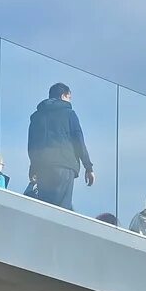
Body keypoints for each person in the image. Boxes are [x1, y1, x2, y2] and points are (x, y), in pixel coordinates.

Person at [27, 83, 95, 211]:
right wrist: (88, 167)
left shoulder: (36, 116)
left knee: (45, 208)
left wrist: (33, 167)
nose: (70, 100)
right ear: (64, 95)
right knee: (62, 210)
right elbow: (78, 140)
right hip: (64, 165)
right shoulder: (69, 114)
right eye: (69, 97)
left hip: (43, 167)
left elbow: (32, 145)